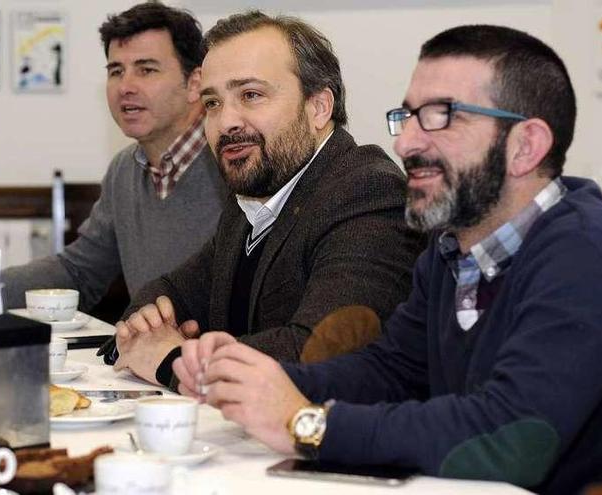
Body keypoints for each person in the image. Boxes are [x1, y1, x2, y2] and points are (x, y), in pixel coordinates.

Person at [175, 24, 602, 494]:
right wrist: (255, 379)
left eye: (440, 116)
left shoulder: (586, 254)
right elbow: (390, 372)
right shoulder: (449, 250)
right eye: (408, 117)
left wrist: (307, 425)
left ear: (526, 146)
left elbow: (511, 438)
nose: (406, 144)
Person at [107, 12, 425, 388]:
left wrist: (175, 359)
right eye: (212, 103)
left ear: (319, 107)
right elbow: (166, 294)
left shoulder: (368, 192)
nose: (226, 122)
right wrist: (147, 330)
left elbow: (317, 352)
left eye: (251, 95)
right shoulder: (254, 197)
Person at [0, 2, 228, 312]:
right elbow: (81, 271)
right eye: (116, 71)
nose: (126, 87)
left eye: (146, 70)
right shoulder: (124, 170)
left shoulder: (233, 165)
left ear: (194, 84)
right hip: (148, 353)